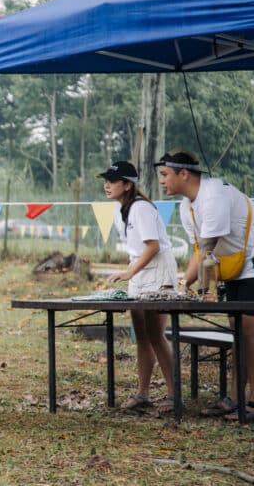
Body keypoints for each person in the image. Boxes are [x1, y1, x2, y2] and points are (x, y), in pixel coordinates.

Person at [156, 149, 254, 421]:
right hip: (230, 266)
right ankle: (235, 398)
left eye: (165, 175)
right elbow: (201, 251)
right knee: (237, 332)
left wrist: (200, 289)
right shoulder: (186, 206)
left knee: (249, 332)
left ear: (183, 173)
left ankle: (253, 402)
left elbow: (207, 250)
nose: (162, 181)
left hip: (250, 261)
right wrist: (183, 285)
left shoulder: (213, 197)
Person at [97, 161, 177, 413]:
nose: (107, 185)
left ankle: (174, 395)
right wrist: (130, 272)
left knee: (156, 333)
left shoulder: (141, 207)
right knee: (141, 334)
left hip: (157, 272)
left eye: (113, 181)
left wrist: (129, 272)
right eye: (106, 180)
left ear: (128, 184)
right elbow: (136, 249)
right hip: (139, 272)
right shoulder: (120, 210)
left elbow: (152, 246)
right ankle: (143, 393)